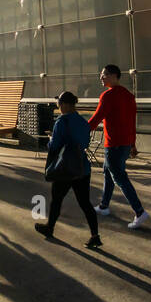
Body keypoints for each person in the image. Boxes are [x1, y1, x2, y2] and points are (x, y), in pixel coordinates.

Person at [86, 64, 149, 229]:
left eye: (104, 74)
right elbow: (131, 123)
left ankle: (140, 212)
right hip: (125, 144)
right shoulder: (129, 96)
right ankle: (104, 206)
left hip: (113, 144)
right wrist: (133, 145)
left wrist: (80, 131)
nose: (101, 77)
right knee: (109, 173)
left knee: (119, 178)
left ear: (114, 76)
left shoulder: (107, 96)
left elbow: (97, 118)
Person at [35, 91, 101, 247]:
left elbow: (55, 145)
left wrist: (51, 139)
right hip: (81, 167)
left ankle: (49, 228)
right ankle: (95, 235)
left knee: (57, 200)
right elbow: (84, 143)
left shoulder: (62, 121)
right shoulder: (83, 121)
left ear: (64, 104)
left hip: (64, 168)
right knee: (85, 203)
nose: (58, 106)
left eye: (59, 103)